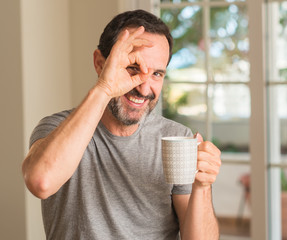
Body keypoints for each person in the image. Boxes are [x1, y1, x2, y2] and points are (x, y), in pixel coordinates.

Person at [22, 9, 221, 240]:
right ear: (99, 63)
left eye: (157, 73)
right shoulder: (56, 129)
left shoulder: (177, 137)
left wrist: (202, 187)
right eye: (133, 68)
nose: (145, 88)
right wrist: (105, 88)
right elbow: (40, 182)